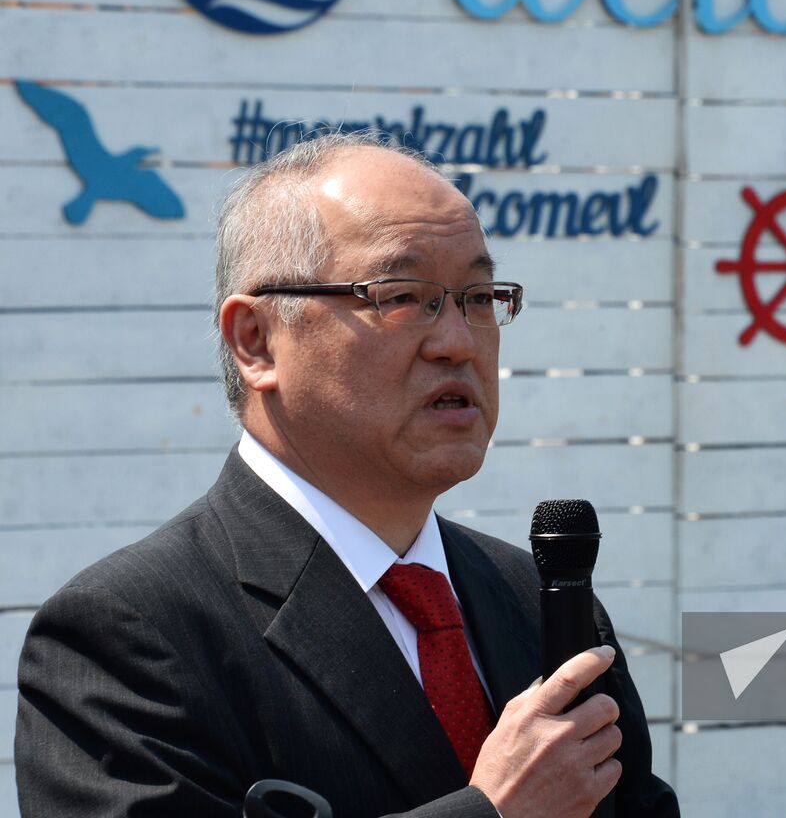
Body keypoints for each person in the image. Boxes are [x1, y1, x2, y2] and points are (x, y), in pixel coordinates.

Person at [14, 133, 678, 818]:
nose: (456, 341)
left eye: (478, 297)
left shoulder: (542, 606)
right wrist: (492, 813)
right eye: (400, 294)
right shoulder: (131, 631)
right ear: (256, 341)